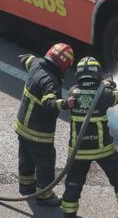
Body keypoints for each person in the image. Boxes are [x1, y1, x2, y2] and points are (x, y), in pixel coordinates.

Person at [60, 56, 118, 218]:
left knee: (74, 178)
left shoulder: (73, 91)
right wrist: (110, 86)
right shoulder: (103, 93)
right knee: (117, 173)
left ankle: (69, 209)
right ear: (98, 73)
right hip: (102, 147)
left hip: (78, 149)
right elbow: (116, 98)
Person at [15, 43, 75, 206]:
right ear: (64, 66)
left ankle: (26, 187)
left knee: (25, 158)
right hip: (39, 133)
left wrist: (25, 58)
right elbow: (49, 104)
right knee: (45, 163)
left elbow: (24, 59)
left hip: (22, 126)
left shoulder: (35, 64)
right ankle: (45, 195)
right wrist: (66, 104)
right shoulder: (52, 82)